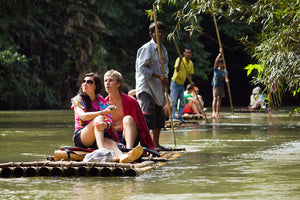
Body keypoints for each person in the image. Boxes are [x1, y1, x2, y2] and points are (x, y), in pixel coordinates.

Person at [71, 72, 143, 163]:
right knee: (99, 118)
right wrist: (102, 113)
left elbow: (109, 122)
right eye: (83, 81)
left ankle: (122, 157)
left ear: (96, 86)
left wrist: (106, 125)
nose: (85, 84)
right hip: (82, 136)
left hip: (99, 135)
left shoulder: (101, 100)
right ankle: (102, 150)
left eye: (89, 82)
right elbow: (83, 116)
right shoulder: (77, 99)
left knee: (112, 144)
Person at [135, 21, 169, 151]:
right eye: (157, 32)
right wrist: (158, 76)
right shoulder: (146, 49)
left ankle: (156, 144)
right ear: (151, 34)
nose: (160, 34)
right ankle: (144, 144)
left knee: (159, 115)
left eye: (162, 32)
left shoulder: (164, 50)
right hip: (146, 86)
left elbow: (165, 68)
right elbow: (142, 68)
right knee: (148, 113)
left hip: (158, 87)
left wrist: (165, 77)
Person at [104, 70, 155, 150]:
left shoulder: (131, 101)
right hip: (112, 139)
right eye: (105, 81)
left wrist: (148, 145)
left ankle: (129, 150)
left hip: (129, 136)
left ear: (118, 84)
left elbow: (142, 125)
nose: (107, 83)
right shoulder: (102, 104)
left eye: (111, 80)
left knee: (127, 119)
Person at [170, 47, 194, 123]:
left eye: (189, 52)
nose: (187, 54)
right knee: (173, 101)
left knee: (182, 102)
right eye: (186, 52)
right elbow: (177, 69)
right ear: (184, 53)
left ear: (191, 54)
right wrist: (180, 60)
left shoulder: (190, 63)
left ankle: (179, 117)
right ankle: (172, 116)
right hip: (175, 82)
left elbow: (189, 75)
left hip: (182, 84)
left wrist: (191, 82)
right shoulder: (179, 59)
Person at [211, 48, 229, 118]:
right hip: (215, 86)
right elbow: (215, 61)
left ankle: (217, 112)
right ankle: (213, 112)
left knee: (220, 99)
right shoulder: (216, 70)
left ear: (223, 64)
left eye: (222, 64)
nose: (220, 65)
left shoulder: (225, 71)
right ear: (218, 64)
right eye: (220, 64)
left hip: (221, 86)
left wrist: (227, 80)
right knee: (215, 98)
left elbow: (226, 78)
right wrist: (220, 53)